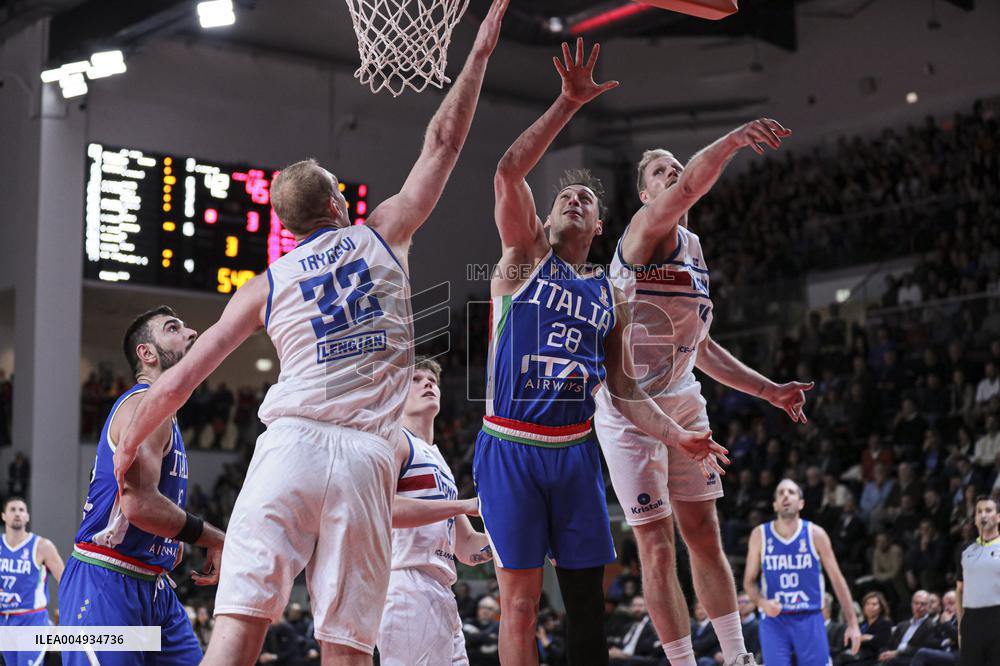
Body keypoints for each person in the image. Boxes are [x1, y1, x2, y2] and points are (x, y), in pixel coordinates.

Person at [112, 2, 510, 663]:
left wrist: (129, 448)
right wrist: (479, 54)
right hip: (363, 459)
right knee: (345, 646)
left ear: (288, 227)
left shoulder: (264, 285)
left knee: (239, 629)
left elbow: (181, 379)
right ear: (337, 205)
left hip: (288, 449)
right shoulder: (381, 232)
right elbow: (442, 143)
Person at [478, 36, 727, 666]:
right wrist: (566, 103)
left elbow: (626, 392)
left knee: (587, 601)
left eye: (586, 200)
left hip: (575, 450)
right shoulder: (521, 262)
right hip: (510, 443)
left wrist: (679, 437)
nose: (572, 198)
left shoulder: (607, 296)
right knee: (520, 605)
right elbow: (508, 171)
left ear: (598, 226)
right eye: (564, 195)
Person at [593, 120, 812, 666]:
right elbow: (693, 186)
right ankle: (682, 661)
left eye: (675, 166)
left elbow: (704, 347)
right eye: (660, 172)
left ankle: (737, 657)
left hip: (682, 395)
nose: (673, 175)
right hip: (629, 403)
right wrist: (735, 140)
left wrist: (768, 390)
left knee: (704, 532)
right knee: (658, 543)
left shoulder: (692, 248)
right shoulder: (642, 231)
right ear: (645, 195)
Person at [59, 307, 225, 666]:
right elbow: (139, 505)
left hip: (153, 585)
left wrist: (168, 539)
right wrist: (215, 538)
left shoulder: (167, 412)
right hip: (106, 579)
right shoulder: (144, 405)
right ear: (147, 353)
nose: (192, 332)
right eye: (173, 328)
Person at [377, 357, 492, 665]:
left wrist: (522, 534)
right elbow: (383, 509)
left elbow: (467, 549)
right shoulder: (393, 439)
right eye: (416, 379)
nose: (428, 383)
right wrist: (464, 505)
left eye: (432, 380)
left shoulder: (438, 459)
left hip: (441, 589)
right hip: (404, 583)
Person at [744, 479, 861, 666]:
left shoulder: (816, 534)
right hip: (775, 620)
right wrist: (762, 603)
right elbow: (749, 582)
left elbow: (837, 580)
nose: (785, 496)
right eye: (780, 492)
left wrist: (853, 624)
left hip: (810, 615)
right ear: (774, 504)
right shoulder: (760, 535)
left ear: (801, 503)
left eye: (791, 492)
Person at [0, 497, 64, 666]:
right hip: (4, 620)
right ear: (3, 516)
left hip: (31, 620)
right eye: (12, 509)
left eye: (21, 510)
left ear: (27, 516)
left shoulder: (42, 546)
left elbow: (65, 580)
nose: (17, 514)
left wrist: (68, 609)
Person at [956, 496, 1000, 666]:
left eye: (988, 511)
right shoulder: (965, 551)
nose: (983, 515)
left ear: (998, 517)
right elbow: (960, 590)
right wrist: (960, 628)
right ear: (974, 519)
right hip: (972, 620)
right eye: (979, 511)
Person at [878, 590, 938, 665]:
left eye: (923, 604)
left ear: (929, 606)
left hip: (911, 659)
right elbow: (889, 644)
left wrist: (897, 653)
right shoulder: (902, 625)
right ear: (912, 605)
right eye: (916, 603)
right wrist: (884, 653)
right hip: (892, 658)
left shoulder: (932, 625)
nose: (919, 607)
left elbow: (923, 648)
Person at [852, 592, 894, 666]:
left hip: (874, 657)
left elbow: (881, 642)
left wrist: (866, 639)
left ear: (880, 607)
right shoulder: (861, 624)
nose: (870, 607)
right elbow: (851, 641)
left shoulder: (885, 623)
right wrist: (868, 638)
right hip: (858, 655)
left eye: (874, 604)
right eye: (867, 604)